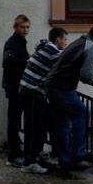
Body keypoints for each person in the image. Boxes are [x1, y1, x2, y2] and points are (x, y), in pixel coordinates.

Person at [45, 25, 93, 173]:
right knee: (82, 113)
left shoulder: (77, 42)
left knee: (62, 123)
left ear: (89, 33)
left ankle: (64, 160)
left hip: (52, 85)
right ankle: (78, 151)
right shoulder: (91, 47)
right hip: (63, 87)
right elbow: (86, 74)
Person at [18, 27, 68, 174]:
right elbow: (67, 62)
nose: (65, 43)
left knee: (40, 125)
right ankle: (29, 162)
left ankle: (36, 156)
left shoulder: (45, 47)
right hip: (33, 91)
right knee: (34, 128)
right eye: (64, 39)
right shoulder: (52, 50)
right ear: (58, 39)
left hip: (30, 91)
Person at [2, 14, 30, 167]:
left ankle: (17, 151)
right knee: (14, 120)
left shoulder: (20, 41)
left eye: (27, 27)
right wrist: (27, 61)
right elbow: (8, 60)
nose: (25, 30)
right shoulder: (13, 42)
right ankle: (13, 155)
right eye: (22, 27)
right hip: (14, 88)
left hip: (17, 87)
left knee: (16, 120)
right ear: (15, 27)